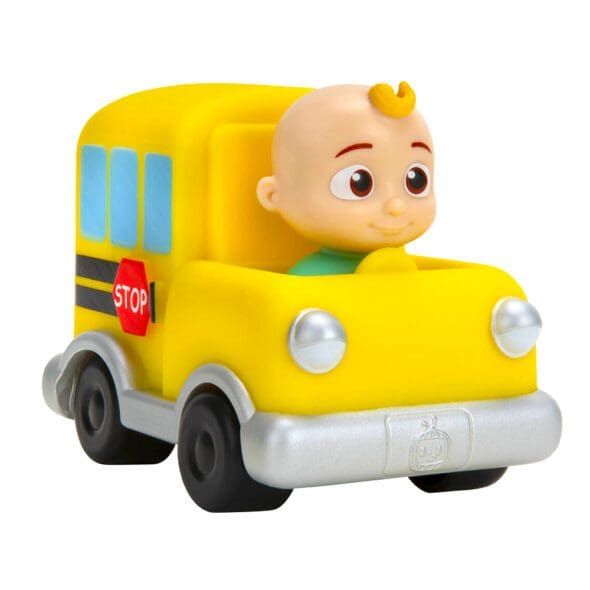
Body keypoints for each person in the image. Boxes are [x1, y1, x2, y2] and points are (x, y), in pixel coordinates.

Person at [256, 82, 436, 275]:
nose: (396, 206)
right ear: (273, 194)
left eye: (416, 181)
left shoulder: (403, 268)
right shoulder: (311, 279)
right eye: (360, 184)